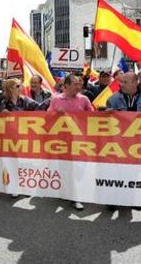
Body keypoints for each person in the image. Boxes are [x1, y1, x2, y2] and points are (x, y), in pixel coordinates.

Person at [48, 74, 93, 211]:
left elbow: (93, 117)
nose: (79, 87)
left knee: (78, 169)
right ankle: (69, 193)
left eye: (79, 84)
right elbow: (46, 117)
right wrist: (56, 113)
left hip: (80, 141)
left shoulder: (84, 99)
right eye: (75, 84)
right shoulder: (56, 100)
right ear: (66, 86)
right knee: (65, 169)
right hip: (62, 141)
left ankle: (76, 196)